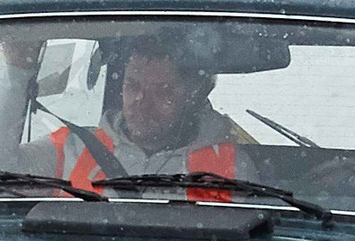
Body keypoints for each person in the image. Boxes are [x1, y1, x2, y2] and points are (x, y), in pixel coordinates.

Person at [45, 35, 243, 197]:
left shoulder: (231, 166)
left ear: (191, 97)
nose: (141, 101)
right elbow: (22, 169)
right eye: (132, 86)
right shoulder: (71, 147)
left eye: (162, 91)